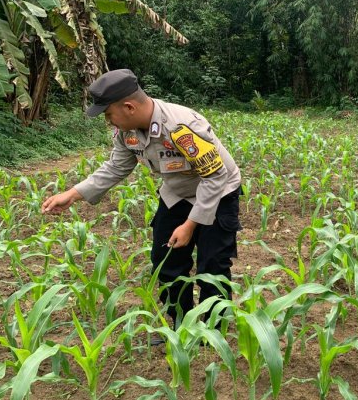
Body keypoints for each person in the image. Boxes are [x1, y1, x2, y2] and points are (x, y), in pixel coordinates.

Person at [42, 69, 242, 327]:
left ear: (128, 107)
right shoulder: (128, 133)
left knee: (212, 266)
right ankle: (180, 327)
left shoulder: (181, 127)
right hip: (178, 193)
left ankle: (214, 331)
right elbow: (115, 167)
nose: (108, 121)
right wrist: (71, 194)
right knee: (166, 262)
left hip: (218, 191)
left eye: (108, 114)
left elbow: (214, 177)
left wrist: (190, 225)